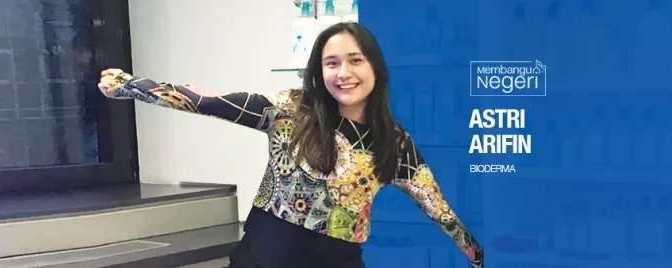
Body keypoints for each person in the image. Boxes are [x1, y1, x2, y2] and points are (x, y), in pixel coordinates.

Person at [98, 22, 483, 268]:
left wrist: (479, 256)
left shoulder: (394, 143)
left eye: (355, 60)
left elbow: (438, 206)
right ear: (319, 71)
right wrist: (133, 87)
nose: (344, 73)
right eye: (331, 63)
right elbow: (209, 100)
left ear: (375, 69)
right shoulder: (288, 109)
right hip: (262, 257)